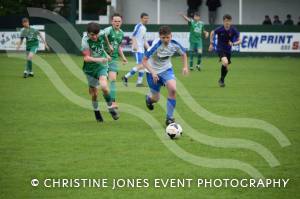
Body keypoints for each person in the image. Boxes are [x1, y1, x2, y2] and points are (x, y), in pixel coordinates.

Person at [142, 26, 189, 126]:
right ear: (160, 37)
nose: (166, 40)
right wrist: (153, 72)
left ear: (171, 36)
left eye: (168, 37)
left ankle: (169, 118)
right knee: (156, 98)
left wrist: (185, 67)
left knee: (173, 89)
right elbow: (144, 61)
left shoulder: (175, 44)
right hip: (152, 72)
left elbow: (184, 54)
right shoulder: (155, 46)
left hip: (166, 70)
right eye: (163, 38)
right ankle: (149, 99)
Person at [81, 22, 119, 122]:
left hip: (102, 66)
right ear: (88, 33)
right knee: (94, 94)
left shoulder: (101, 33)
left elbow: (105, 36)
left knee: (104, 87)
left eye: (96, 34)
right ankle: (96, 111)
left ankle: (110, 108)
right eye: (92, 35)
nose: (95, 37)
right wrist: (99, 59)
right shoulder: (85, 41)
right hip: (90, 69)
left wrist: (109, 46)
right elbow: (86, 58)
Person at [208, 14, 241, 87]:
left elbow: (240, 40)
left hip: (228, 51)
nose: (227, 23)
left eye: (228, 21)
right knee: (225, 62)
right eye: (226, 21)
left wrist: (233, 44)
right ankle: (221, 80)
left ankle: (221, 79)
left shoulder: (233, 30)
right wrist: (211, 43)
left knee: (226, 67)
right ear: (223, 21)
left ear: (231, 22)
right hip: (220, 49)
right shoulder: (220, 29)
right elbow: (212, 32)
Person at [103, 13, 127, 109]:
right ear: (112, 22)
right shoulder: (108, 30)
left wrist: (123, 57)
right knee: (102, 84)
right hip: (103, 59)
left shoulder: (121, 33)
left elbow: (119, 46)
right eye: (115, 21)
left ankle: (112, 102)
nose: (117, 23)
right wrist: (107, 49)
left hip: (113, 59)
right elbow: (100, 41)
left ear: (121, 22)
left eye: (119, 21)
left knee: (112, 80)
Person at [122, 13, 150, 87]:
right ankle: (126, 77)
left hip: (141, 50)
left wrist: (150, 49)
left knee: (143, 66)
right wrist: (135, 45)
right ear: (141, 18)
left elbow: (144, 40)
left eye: (147, 18)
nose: (146, 20)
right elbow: (133, 35)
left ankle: (139, 83)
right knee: (141, 65)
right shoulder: (139, 26)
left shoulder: (144, 28)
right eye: (145, 18)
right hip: (137, 49)